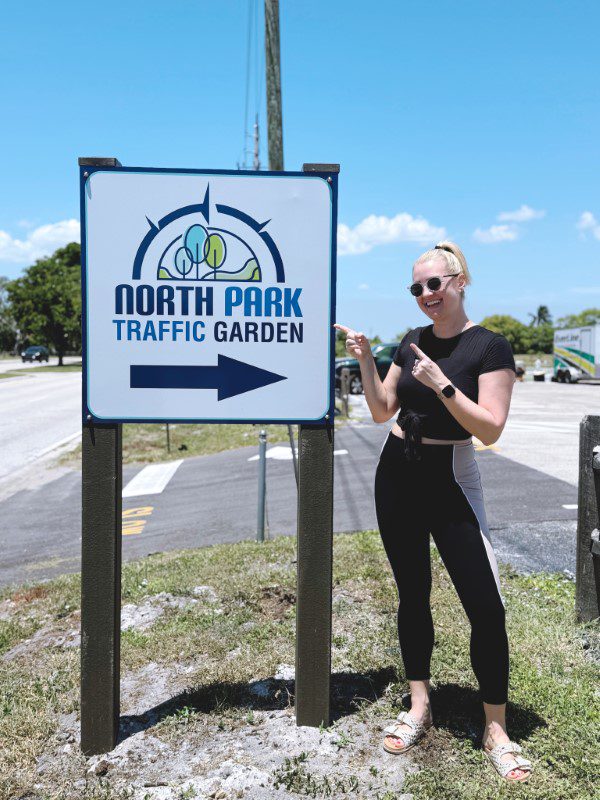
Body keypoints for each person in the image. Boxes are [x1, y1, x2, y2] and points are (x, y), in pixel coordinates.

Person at [334, 241, 533, 783]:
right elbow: (380, 411)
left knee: (486, 607)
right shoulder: (412, 341)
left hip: (452, 478)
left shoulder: (490, 347)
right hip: (396, 473)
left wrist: (441, 384)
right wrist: (367, 361)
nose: (426, 295)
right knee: (412, 593)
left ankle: (496, 728)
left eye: (434, 284)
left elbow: (490, 428)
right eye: (416, 288)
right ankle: (419, 703)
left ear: (460, 281)